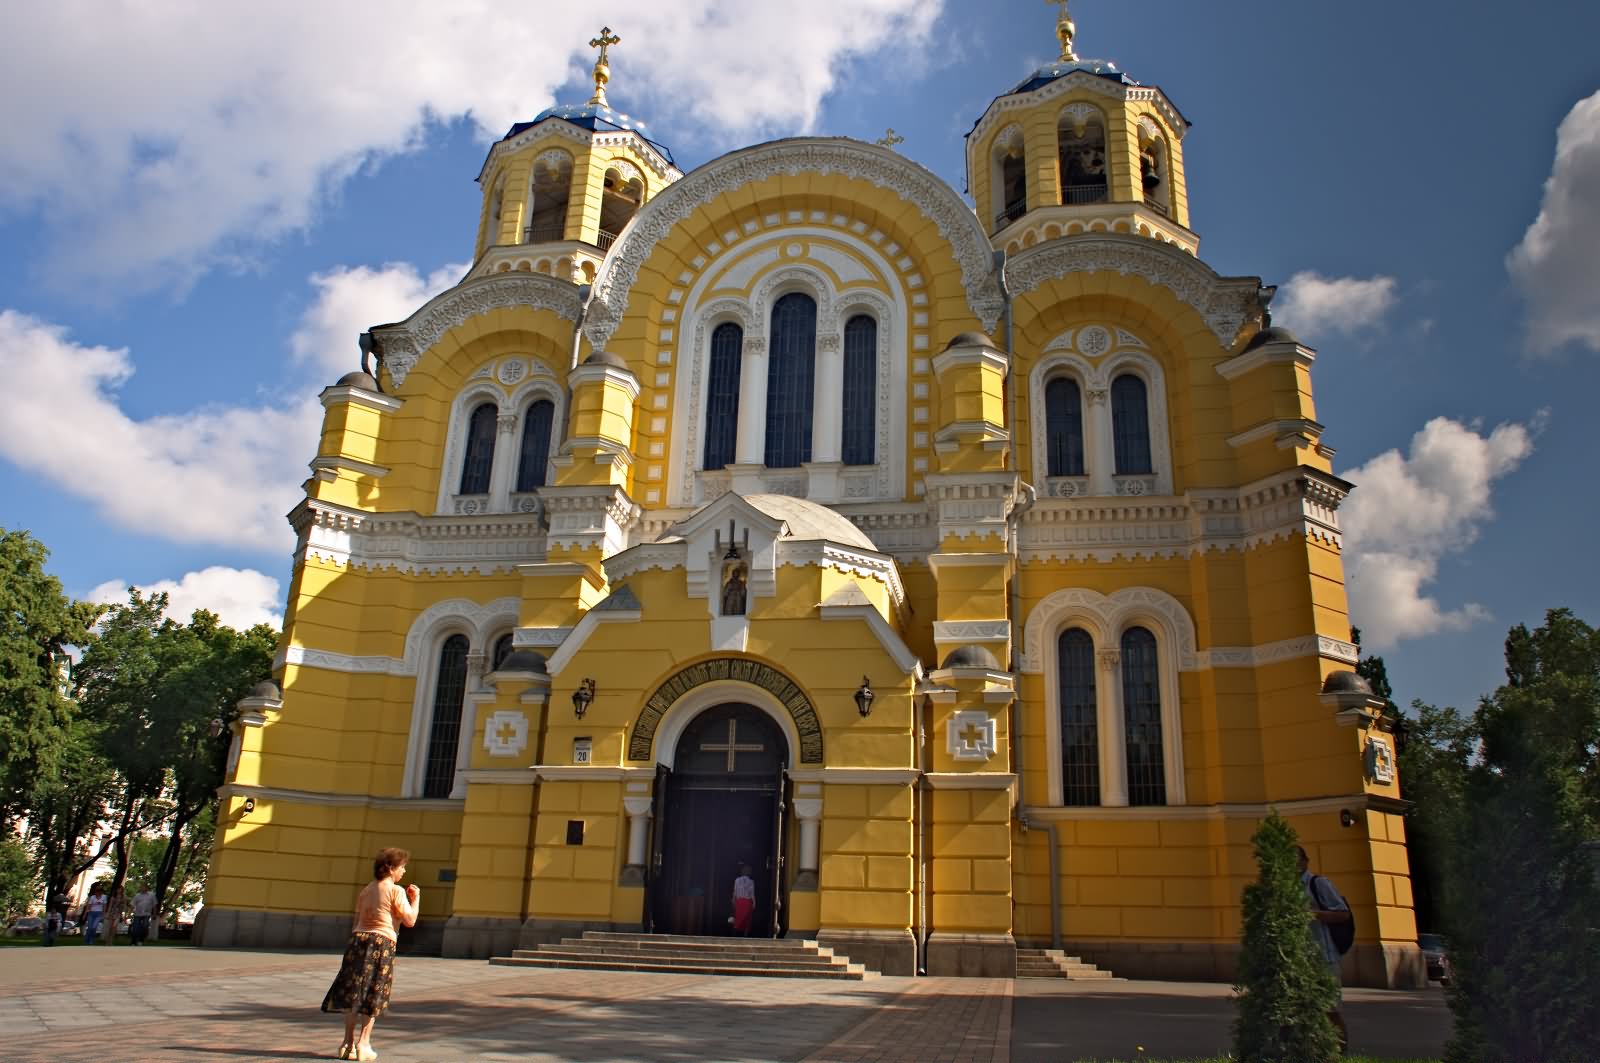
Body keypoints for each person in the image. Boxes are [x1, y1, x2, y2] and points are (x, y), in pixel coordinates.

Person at [322, 847, 419, 1061]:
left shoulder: (366, 890)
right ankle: (363, 1043)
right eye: (402, 867)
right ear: (392, 868)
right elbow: (410, 920)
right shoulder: (395, 890)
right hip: (381, 942)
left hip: (358, 940)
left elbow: (357, 920)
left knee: (354, 992)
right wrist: (416, 898)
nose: (403, 872)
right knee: (374, 992)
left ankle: (347, 1043)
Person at [1298, 845, 1351, 1053]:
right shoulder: (1285, 887)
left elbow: (1343, 913)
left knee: (1331, 1011)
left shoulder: (1318, 884)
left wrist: (1315, 914)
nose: (1292, 864)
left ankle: (1340, 1053)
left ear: (1305, 861)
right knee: (1304, 1010)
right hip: (1300, 959)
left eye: (1296, 859)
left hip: (1325, 958)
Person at [730, 864, 756, 937]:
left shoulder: (737, 880)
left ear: (742, 872)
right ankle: (745, 937)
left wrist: (733, 901)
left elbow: (735, 892)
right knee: (747, 921)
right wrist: (754, 904)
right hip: (748, 903)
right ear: (749, 872)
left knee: (737, 920)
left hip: (739, 902)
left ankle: (734, 936)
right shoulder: (751, 882)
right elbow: (752, 894)